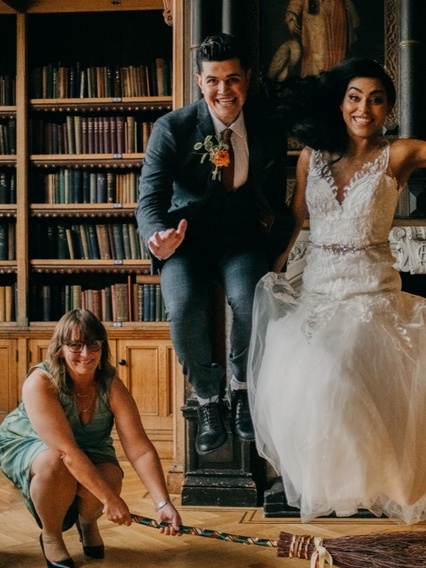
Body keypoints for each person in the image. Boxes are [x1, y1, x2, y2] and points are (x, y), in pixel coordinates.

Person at [248, 34, 426, 524]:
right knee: (310, 385)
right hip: (318, 297)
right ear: (340, 102)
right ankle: (345, 495)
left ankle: (375, 490)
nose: (364, 108)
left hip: (371, 297)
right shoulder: (310, 157)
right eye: (355, 97)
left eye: (377, 100)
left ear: (388, 111)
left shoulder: (400, 155)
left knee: (343, 381)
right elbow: (297, 217)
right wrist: (270, 268)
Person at [135, 33, 292, 455]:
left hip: (240, 241)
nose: (225, 90)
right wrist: (157, 238)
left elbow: (275, 194)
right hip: (183, 244)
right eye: (214, 81)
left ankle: (240, 385)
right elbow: (149, 198)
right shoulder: (173, 128)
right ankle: (207, 397)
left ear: (248, 79)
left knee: (251, 300)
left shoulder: (266, 126)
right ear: (200, 83)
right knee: (184, 306)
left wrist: (276, 248)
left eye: (233, 79)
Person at [0, 309, 182, 568]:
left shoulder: (110, 383)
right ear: (60, 349)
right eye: (75, 345)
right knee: (53, 464)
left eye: (94, 344)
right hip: (31, 442)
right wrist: (110, 500)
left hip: (88, 447)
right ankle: (51, 535)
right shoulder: (40, 382)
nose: (86, 353)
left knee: (111, 476)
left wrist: (163, 503)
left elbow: (139, 450)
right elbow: (66, 452)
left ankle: (88, 523)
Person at [283, 0, 359, 78]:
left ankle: (336, 83)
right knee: (317, 59)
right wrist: (291, 15)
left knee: (338, 58)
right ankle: (316, 83)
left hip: (337, 14)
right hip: (315, 18)